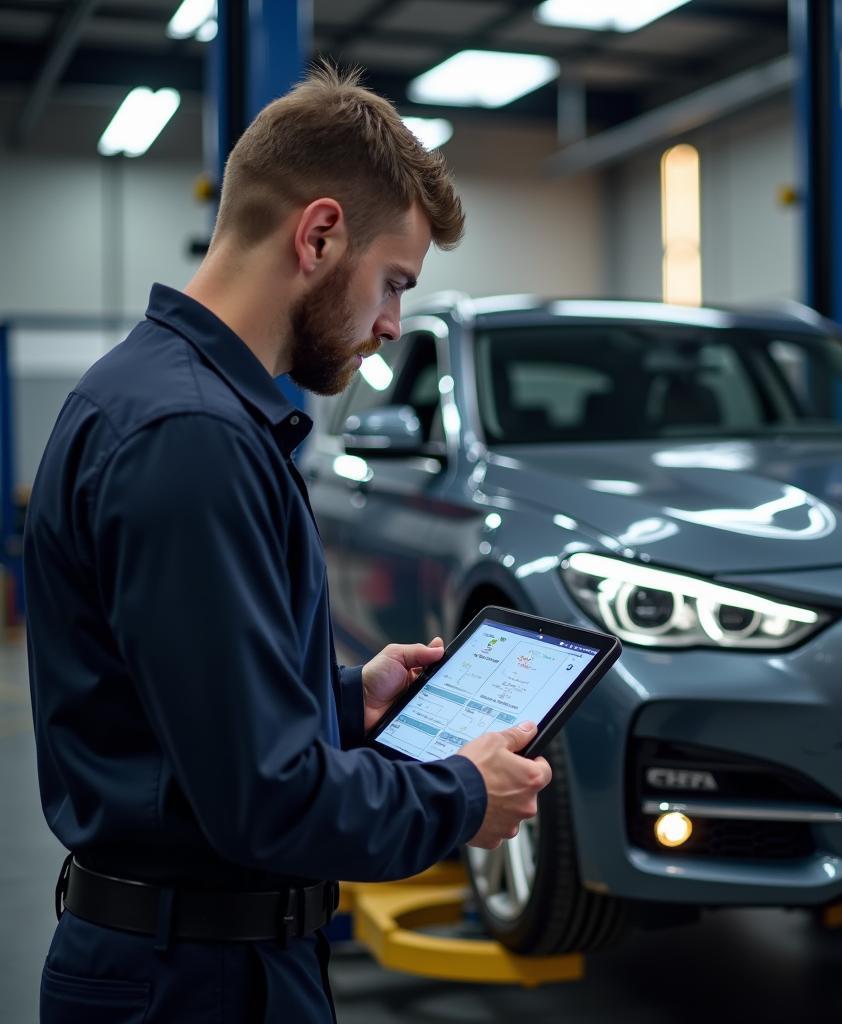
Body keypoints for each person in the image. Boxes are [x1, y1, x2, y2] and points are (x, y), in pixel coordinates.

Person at [24, 63, 551, 1023]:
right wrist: (462, 797)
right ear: (318, 235)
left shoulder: (158, 398)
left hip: (194, 960)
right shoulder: (192, 440)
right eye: (393, 282)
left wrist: (349, 702)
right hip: (194, 983)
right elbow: (266, 802)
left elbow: (184, 729)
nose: (392, 325)